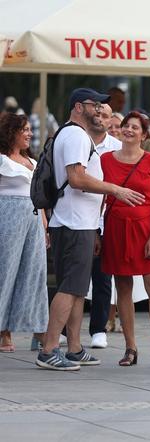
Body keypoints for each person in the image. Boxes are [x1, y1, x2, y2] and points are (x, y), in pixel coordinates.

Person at [36, 88, 144, 371]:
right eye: (93, 105)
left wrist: (95, 228)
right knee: (71, 287)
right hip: (72, 222)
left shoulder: (75, 135)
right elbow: (76, 178)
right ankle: (48, 349)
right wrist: (115, 189)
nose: (98, 109)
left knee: (77, 288)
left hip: (79, 223)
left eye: (101, 105)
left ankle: (74, 347)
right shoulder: (74, 135)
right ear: (77, 107)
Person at [100, 111, 150, 369]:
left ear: (144, 135)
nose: (129, 130)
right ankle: (130, 348)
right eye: (126, 126)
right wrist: (98, 232)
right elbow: (100, 199)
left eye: (135, 127)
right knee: (123, 288)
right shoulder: (105, 160)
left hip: (145, 229)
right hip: (116, 229)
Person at [0, 113, 48, 352]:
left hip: (33, 218)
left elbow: (37, 195)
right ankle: (3, 331)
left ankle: (39, 330)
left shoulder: (33, 161)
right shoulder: (1, 160)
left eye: (30, 129)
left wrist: (44, 222)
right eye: (25, 130)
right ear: (12, 132)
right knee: (5, 272)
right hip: (7, 218)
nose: (30, 134)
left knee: (35, 273)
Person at [86, 103, 122, 349]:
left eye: (105, 115)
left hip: (106, 219)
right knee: (73, 276)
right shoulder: (78, 140)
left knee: (102, 277)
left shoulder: (118, 148)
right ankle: (66, 329)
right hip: (78, 217)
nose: (101, 118)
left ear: (112, 121)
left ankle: (98, 328)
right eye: (97, 113)